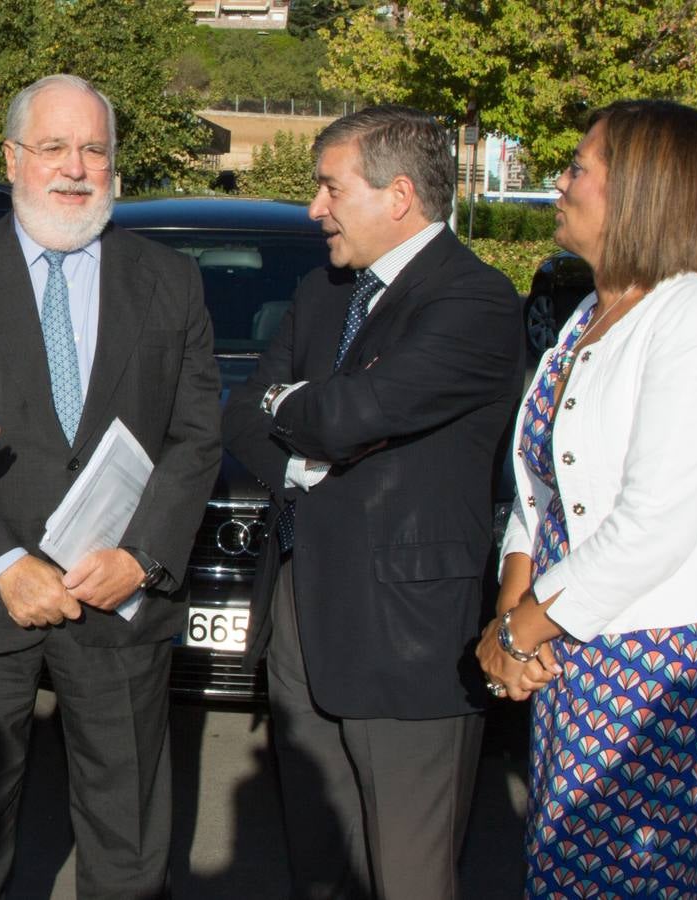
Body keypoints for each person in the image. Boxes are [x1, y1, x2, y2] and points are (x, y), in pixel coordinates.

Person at [0, 74, 221, 899]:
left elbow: (196, 436)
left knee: (129, 835)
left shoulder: (170, 279)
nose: (75, 168)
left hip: (118, 599)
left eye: (94, 149)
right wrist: (4, 562)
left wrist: (141, 557)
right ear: (11, 158)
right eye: (54, 148)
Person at [223, 105, 524, 899]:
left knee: (408, 875)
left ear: (397, 196)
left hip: (408, 638)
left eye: (330, 187)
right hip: (299, 610)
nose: (314, 207)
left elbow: (353, 413)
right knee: (319, 865)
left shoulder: (473, 299)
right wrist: (304, 465)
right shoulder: (326, 289)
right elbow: (243, 415)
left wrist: (302, 409)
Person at [476, 99, 697, 897]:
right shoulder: (587, 317)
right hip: (569, 640)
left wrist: (520, 632)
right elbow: (537, 487)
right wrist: (512, 609)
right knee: (563, 871)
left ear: (639, 190)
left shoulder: (695, 319)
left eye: (578, 168)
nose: (559, 183)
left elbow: (654, 524)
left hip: (651, 656)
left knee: (623, 882)